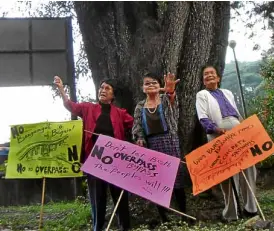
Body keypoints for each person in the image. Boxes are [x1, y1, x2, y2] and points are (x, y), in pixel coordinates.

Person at [54, 76, 133, 231]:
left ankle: (125, 227)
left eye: (107, 88)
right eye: (101, 87)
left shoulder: (120, 113)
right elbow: (71, 106)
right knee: (98, 199)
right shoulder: (88, 108)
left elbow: (134, 124)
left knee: (120, 198)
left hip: (116, 161)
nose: (103, 90)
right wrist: (62, 89)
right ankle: (98, 227)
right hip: (95, 159)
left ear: (113, 95)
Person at [195, 65, 258, 222]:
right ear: (203, 80)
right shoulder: (202, 94)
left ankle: (251, 208)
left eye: (212, 73)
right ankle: (231, 213)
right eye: (206, 74)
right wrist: (216, 129)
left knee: (249, 167)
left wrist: (246, 128)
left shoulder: (227, 93)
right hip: (219, 134)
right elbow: (203, 118)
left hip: (238, 132)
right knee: (227, 173)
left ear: (218, 78)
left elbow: (236, 113)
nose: (209, 75)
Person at [132, 72, 187, 223]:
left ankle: (184, 215)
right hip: (152, 146)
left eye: (154, 83)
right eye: (147, 83)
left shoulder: (165, 99)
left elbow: (173, 106)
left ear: (160, 86)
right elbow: (137, 126)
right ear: (143, 88)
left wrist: (170, 91)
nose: (151, 85)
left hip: (170, 142)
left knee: (177, 179)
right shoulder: (140, 106)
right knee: (156, 182)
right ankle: (164, 218)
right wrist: (140, 139)